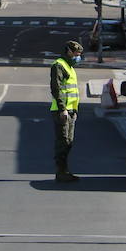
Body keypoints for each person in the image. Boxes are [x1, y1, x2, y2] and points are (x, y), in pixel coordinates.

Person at [50, 40, 83, 183]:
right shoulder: (59, 65)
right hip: (61, 111)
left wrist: (74, 110)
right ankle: (61, 172)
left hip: (70, 111)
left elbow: (72, 91)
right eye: (76, 54)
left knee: (69, 142)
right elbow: (56, 88)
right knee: (63, 141)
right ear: (69, 51)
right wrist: (63, 109)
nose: (78, 57)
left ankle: (65, 171)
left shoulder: (70, 67)